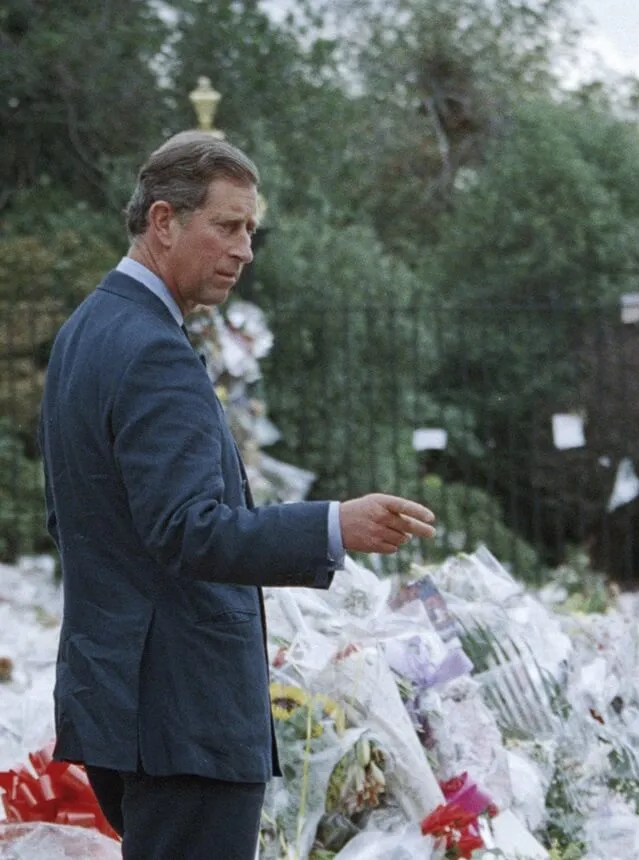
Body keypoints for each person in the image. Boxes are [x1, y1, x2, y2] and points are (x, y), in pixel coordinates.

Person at [37, 131, 436, 860]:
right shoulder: (153, 349)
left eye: (251, 230)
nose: (245, 249)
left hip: (123, 697)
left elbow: (71, 520)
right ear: (164, 221)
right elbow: (189, 531)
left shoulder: (84, 332)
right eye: (227, 225)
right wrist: (333, 526)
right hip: (183, 711)